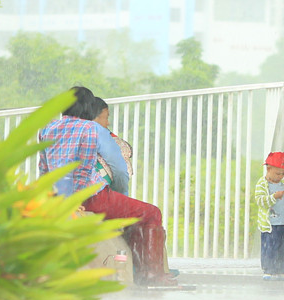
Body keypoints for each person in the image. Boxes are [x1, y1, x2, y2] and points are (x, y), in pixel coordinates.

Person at [39, 86, 183, 288]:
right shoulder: (89, 129)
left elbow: (44, 170)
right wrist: (76, 201)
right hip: (91, 198)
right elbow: (84, 167)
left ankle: (145, 273)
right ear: (89, 108)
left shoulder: (47, 129)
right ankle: (152, 276)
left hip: (55, 197)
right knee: (151, 213)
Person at [254, 151, 284, 278]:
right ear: (268, 169)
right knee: (270, 248)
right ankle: (269, 270)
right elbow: (260, 201)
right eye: (278, 173)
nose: (280, 176)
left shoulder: (283, 184)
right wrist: (273, 197)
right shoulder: (262, 184)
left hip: (283, 223)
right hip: (270, 224)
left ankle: (283, 269)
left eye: (283, 174)